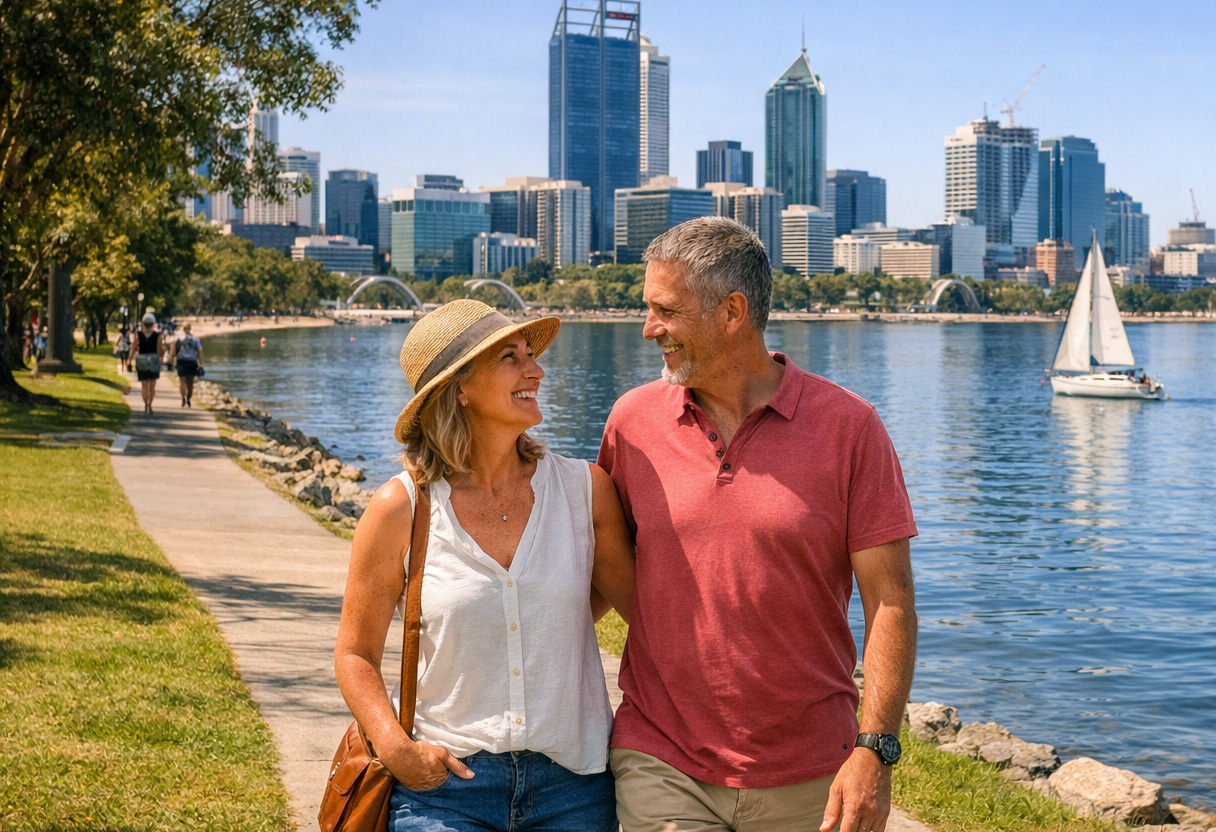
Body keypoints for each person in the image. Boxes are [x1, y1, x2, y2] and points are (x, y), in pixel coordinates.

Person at [597, 217, 919, 832]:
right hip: (662, 756)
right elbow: (596, 570)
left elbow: (891, 601)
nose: (648, 329)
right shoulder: (631, 423)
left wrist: (875, 750)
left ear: (732, 311)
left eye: (665, 310)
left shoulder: (851, 428)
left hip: (812, 770)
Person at [334, 299, 636, 832]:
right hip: (447, 791)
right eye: (509, 357)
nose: (535, 369)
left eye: (531, 354)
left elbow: (646, 611)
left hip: (576, 787)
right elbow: (356, 654)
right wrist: (396, 749)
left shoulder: (585, 491)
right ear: (459, 388)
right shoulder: (401, 508)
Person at [135, 312, 166, 415]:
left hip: (141, 359)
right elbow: (160, 350)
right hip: (153, 359)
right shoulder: (157, 336)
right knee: (152, 386)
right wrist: (162, 358)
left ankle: (145, 405)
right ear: (153, 324)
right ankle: (150, 405)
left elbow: (133, 348)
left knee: (144, 385)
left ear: (143, 323)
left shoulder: (138, 335)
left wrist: (129, 360)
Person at [172, 323, 204, 407]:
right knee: (190, 382)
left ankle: (183, 398)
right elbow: (199, 351)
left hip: (181, 361)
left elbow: (174, 350)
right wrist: (199, 362)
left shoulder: (178, 338)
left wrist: (173, 359)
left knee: (182, 381)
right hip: (192, 361)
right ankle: (189, 399)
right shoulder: (195, 339)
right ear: (190, 328)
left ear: (183, 328)